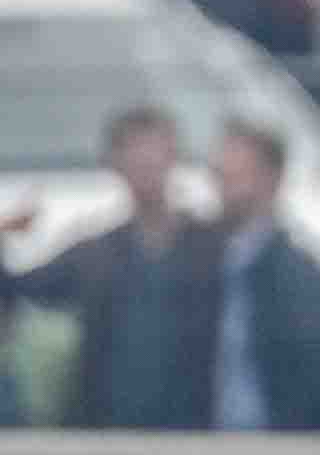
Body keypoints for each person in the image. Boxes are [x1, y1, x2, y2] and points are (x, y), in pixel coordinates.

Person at [10, 102, 226, 431]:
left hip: (197, 432)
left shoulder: (215, 249)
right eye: (135, 155)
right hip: (112, 433)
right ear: (116, 163)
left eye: (154, 153)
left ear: (174, 156)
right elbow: (21, 289)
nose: (146, 164)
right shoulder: (94, 255)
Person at [196, 120, 320, 437]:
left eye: (238, 175)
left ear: (272, 178)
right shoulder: (198, 266)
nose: (224, 188)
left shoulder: (302, 280)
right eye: (220, 175)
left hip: (279, 445)